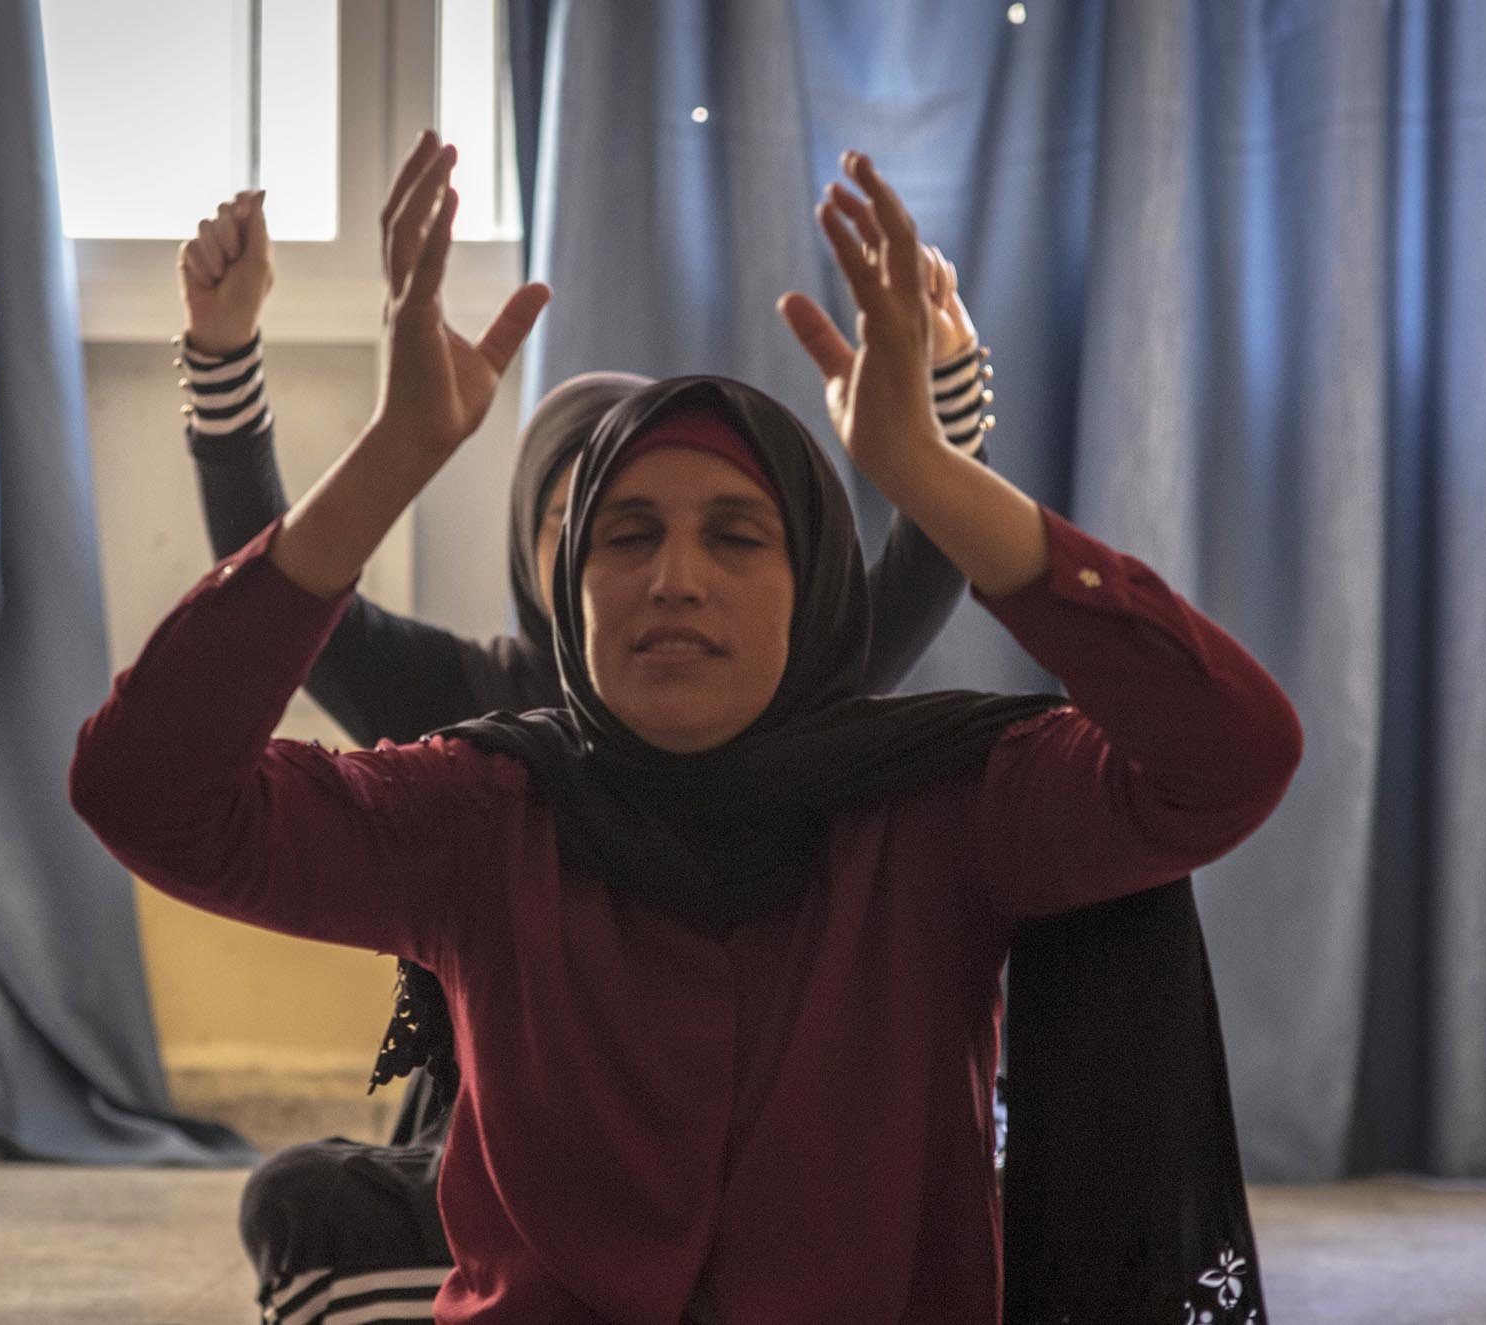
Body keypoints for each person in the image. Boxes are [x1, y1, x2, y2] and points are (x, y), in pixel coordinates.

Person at [73, 134, 1302, 1322]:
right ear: (568, 589)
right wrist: (391, 458)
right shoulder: (479, 806)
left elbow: (1226, 754)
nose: (673, 579)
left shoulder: (948, 804)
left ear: (814, 586)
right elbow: (148, 795)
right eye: (623, 535)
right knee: (315, 1199)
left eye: (735, 535)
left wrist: (924, 469)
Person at [170, 184, 1000, 1319]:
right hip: (516, 1151)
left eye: (712, 530)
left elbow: (931, 556)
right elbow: (269, 600)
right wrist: (224, 361)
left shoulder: (796, 708)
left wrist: (938, 394)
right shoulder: (471, 726)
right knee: (306, 1199)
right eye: (601, 522)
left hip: (767, 1146)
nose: (668, 575)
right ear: (543, 556)